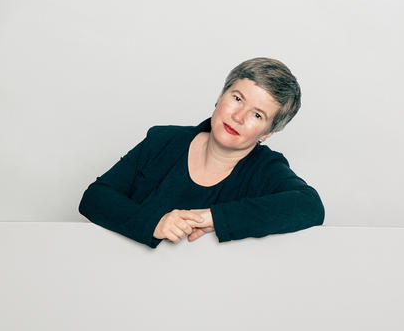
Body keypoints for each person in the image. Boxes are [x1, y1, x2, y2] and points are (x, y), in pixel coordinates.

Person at [79, 57, 324, 247]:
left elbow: (310, 206)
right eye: (237, 98)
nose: (238, 117)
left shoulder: (265, 169)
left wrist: (212, 218)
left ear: (268, 132)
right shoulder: (163, 141)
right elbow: (95, 198)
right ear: (220, 95)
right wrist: (154, 223)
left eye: (257, 115)